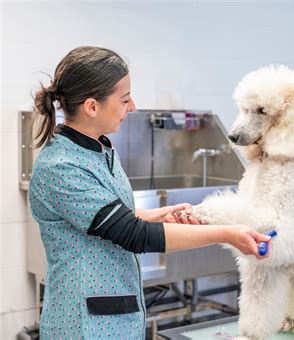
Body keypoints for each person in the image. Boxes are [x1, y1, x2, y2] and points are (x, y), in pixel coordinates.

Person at [29, 46, 272, 339]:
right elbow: (133, 235)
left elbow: (98, 219)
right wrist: (226, 233)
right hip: (83, 322)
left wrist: (152, 215)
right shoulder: (62, 166)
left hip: (113, 315)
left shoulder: (100, 148)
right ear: (92, 107)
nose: (132, 107)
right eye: (125, 99)